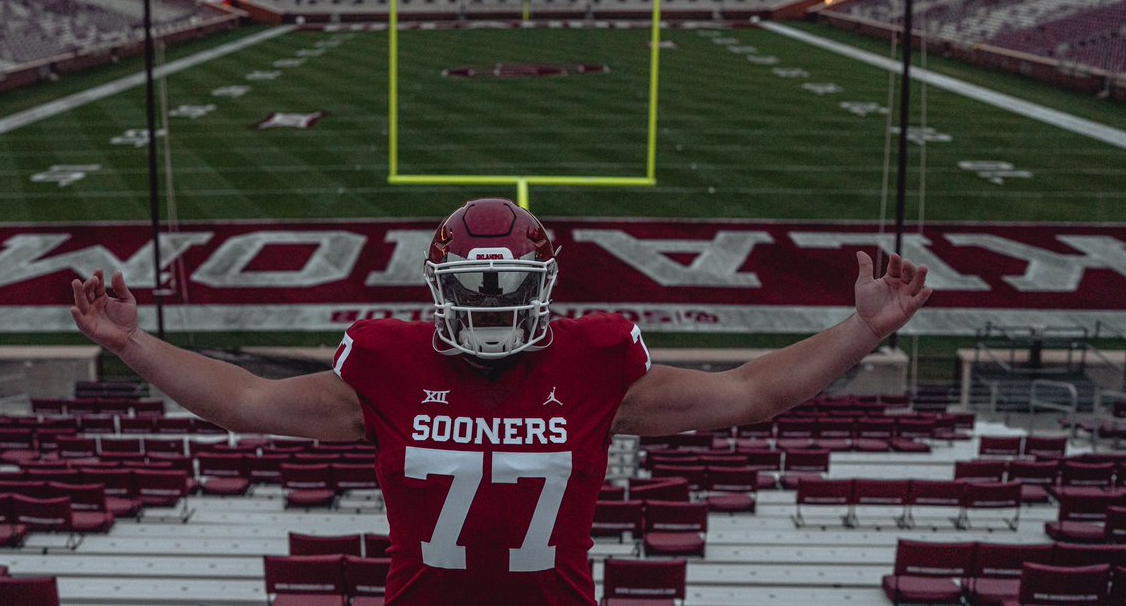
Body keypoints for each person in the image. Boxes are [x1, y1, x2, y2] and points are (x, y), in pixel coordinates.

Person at [70, 197, 932, 605]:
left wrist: (863, 332)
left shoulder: (594, 365)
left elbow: (751, 394)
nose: (489, 304)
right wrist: (132, 343)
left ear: (543, 288)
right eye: (474, 287)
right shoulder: (387, 368)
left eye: (507, 286)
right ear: (441, 291)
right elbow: (246, 402)